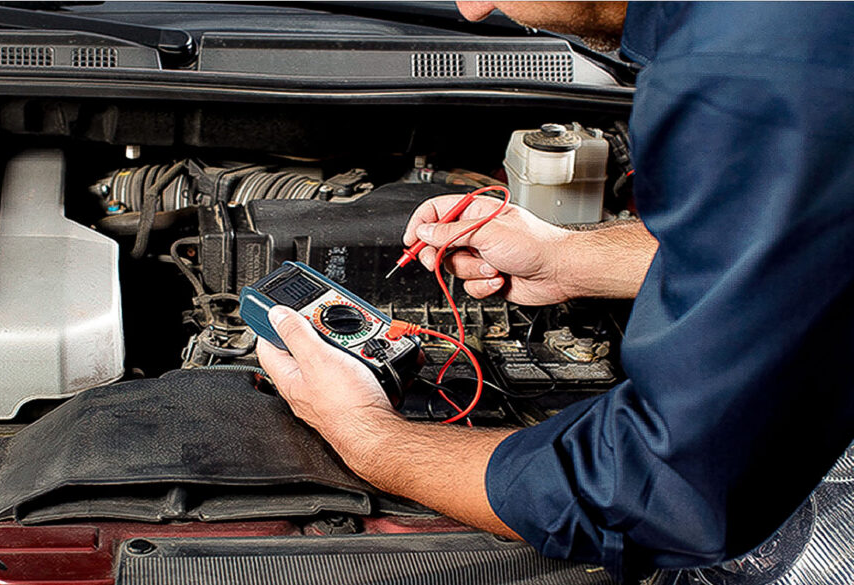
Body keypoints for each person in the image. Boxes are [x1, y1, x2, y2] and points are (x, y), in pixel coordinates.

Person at [257, 2, 854, 581]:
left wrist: (367, 435)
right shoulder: (769, 30)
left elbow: (659, 490)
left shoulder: (739, 76)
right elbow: (806, 248)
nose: (470, 11)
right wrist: (570, 257)